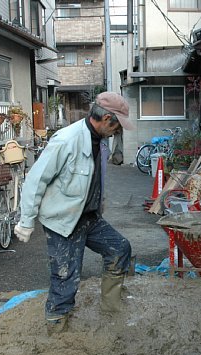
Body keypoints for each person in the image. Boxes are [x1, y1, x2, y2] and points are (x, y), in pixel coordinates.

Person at [14, 92, 134, 328]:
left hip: (89, 218)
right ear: (106, 118)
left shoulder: (100, 140)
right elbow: (35, 181)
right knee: (65, 277)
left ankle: (112, 309)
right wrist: (26, 221)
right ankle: (56, 328)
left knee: (120, 249)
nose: (118, 131)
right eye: (117, 125)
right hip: (63, 221)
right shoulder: (66, 141)